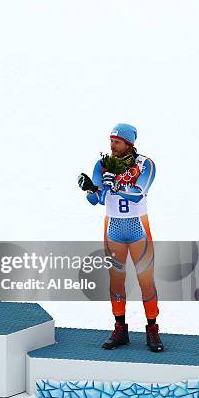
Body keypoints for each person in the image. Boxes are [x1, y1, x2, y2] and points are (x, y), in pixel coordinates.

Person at [78, 123, 163, 352]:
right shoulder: (103, 163)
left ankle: (152, 329)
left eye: (116, 141)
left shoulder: (145, 164)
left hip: (138, 228)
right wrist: (89, 189)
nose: (112, 145)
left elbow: (138, 194)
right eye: (111, 141)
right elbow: (97, 200)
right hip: (113, 228)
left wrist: (115, 185)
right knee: (116, 281)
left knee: (146, 281)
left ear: (129, 143)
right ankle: (120, 328)